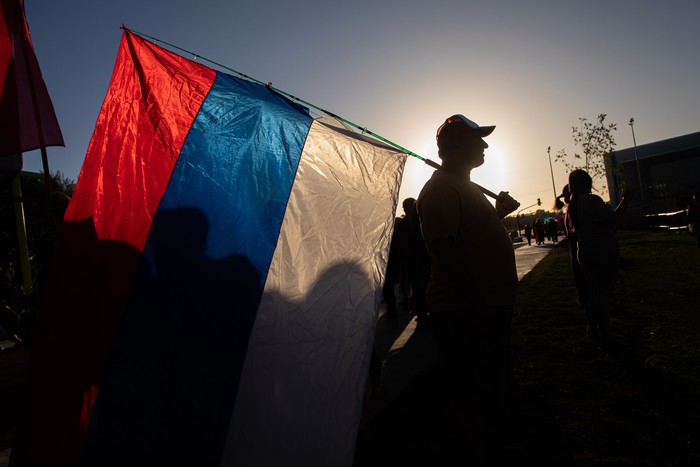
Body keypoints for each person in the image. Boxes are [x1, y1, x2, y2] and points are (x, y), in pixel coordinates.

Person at [416, 114, 519, 465]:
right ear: (458, 145)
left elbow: (470, 238)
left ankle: (491, 443)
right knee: (471, 388)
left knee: (490, 381)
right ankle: (478, 453)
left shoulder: (461, 186)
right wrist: (479, 303)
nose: (486, 144)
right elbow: (445, 252)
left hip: (480, 305)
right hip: (464, 310)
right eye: (479, 139)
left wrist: (498, 214)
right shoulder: (440, 189)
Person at [567, 169, 631, 345]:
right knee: (602, 295)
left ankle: (595, 328)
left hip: (585, 253)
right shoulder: (591, 201)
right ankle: (604, 333)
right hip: (601, 252)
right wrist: (626, 200)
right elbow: (611, 221)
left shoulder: (575, 204)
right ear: (588, 182)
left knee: (593, 294)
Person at [396, 197, 431, 329]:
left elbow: (402, 246)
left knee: (419, 289)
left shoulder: (405, 224)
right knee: (421, 289)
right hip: (420, 260)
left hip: (416, 260)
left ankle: (423, 315)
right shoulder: (417, 221)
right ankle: (424, 315)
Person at [559, 184, 590, 330]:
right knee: (592, 291)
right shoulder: (575, 211)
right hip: (586, 255)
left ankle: (592, 323)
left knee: (586, 290)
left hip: (576, 257)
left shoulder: (568, 213)